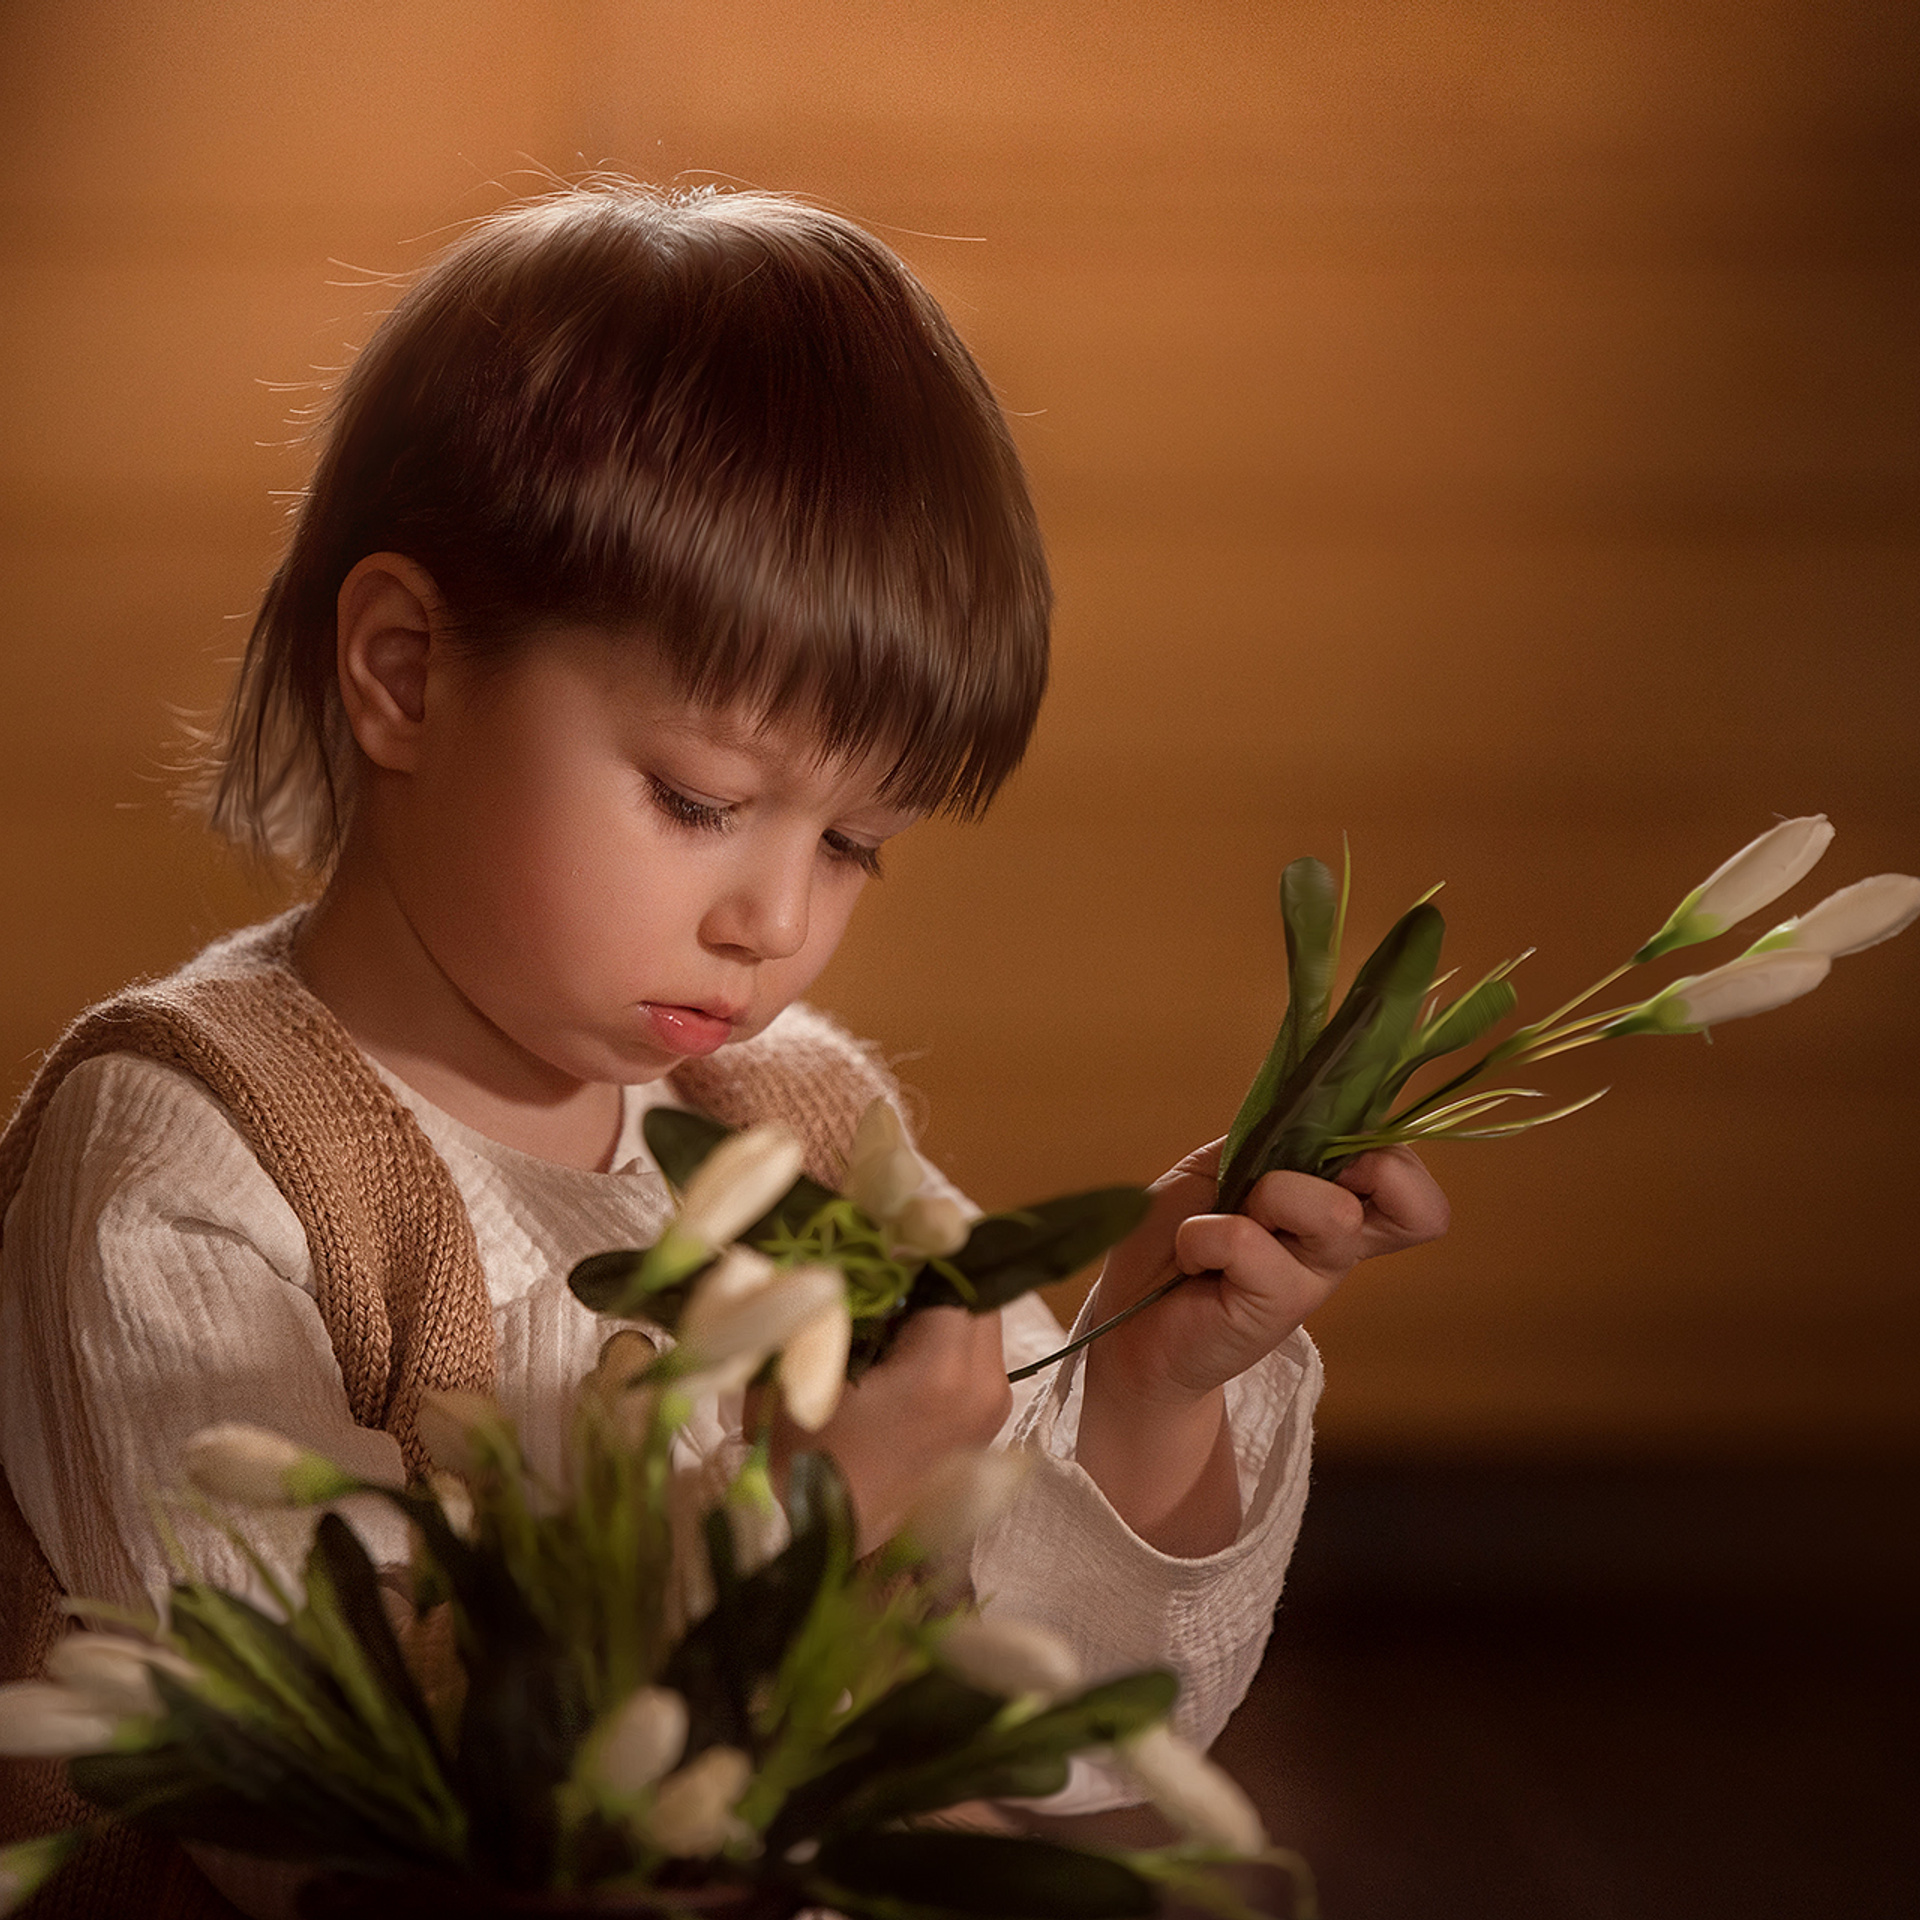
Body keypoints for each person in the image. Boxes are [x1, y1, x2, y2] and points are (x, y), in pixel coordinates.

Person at [0, 182, 1448, 1912]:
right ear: (401, 669)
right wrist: (798, 1523)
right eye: (702, 801)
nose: (778, 921)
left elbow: (1061, 1742)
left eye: (854, 845)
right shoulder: (196, 1150)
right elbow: (307, 1822)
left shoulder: (801, 1129)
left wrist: (1143, 1385)